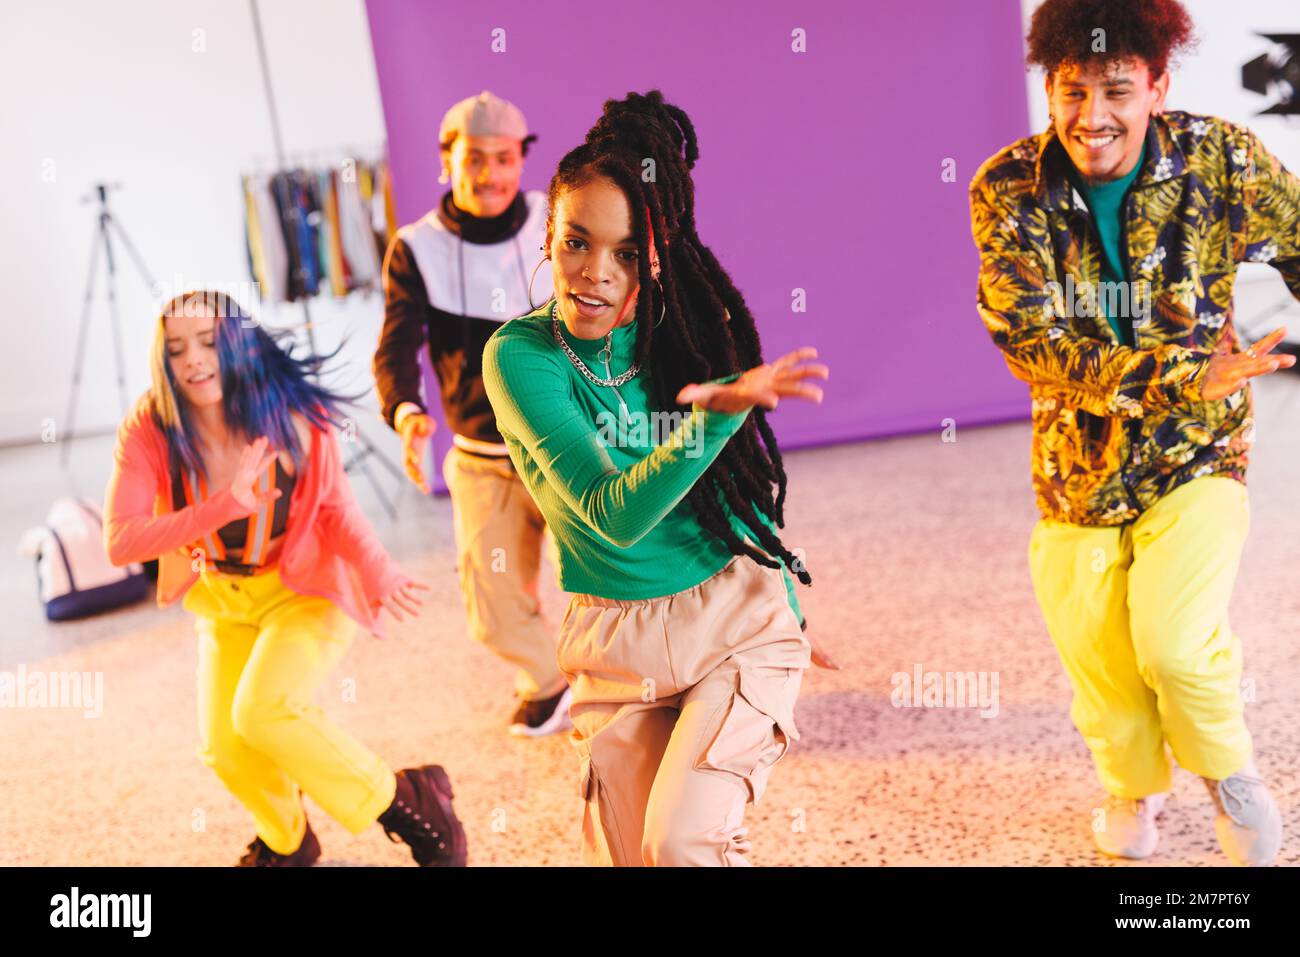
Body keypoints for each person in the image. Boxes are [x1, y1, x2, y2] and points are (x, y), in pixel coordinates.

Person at [969, 0, 1297, 865]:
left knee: (1174, 642)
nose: (1093, 117)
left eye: (1117, 89)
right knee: (1103, 661)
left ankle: (1231, 777)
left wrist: (1207, 383)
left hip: (1200, 453)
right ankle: (1131, 785)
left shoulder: (1220, 159)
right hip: (1075, 472)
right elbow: (1028, 342)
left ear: (1158, 84)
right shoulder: (1006, 187)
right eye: (1072, 91)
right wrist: (1183, 372)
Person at [482, 90, 831, 866]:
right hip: (613, 639)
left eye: (627, 253)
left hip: (731, 627)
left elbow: (728, 494)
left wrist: (787, 610)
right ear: (549, 231)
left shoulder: (688, 335)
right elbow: (612, 512)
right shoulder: (519, 357)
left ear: (658, 253)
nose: (595, 274)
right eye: (576, 242)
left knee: (682, 841)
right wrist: (714, 420)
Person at [104, 289, 468, 867]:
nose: (194, 360)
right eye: (177, 349)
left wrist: (380, 569)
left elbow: (334, 508)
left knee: (263, 710)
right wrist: (222, 506)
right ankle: (288, 840)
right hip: (222, 598)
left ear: (239, 345)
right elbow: (120, 539)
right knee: (223, 746)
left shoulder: (293, 413)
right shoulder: (151, 427)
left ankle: (408, 799)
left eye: (209, 342)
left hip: (304, 590)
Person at [373, 91, 572, 737]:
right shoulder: (415, 248)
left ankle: (644, 681)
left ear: (522, 159)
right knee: (491, 608)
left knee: (621, 573)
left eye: (504, 158)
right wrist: (405, 411)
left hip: (572, 443)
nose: (490, 174)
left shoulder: (559, 219)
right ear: (446, 159)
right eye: (474, 159)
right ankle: (550, 682)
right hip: (484, 459)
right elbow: (397, 346)